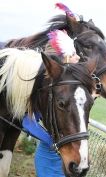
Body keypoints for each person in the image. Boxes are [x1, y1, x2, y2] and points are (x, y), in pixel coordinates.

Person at [22, 30, 80, 177]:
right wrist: (52, 142)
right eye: (73, 54)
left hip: (71, 155)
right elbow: (28, 122)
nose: (78, 57)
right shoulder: (43, 88)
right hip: (50, 157)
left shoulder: (69, 85)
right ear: (64, 59)